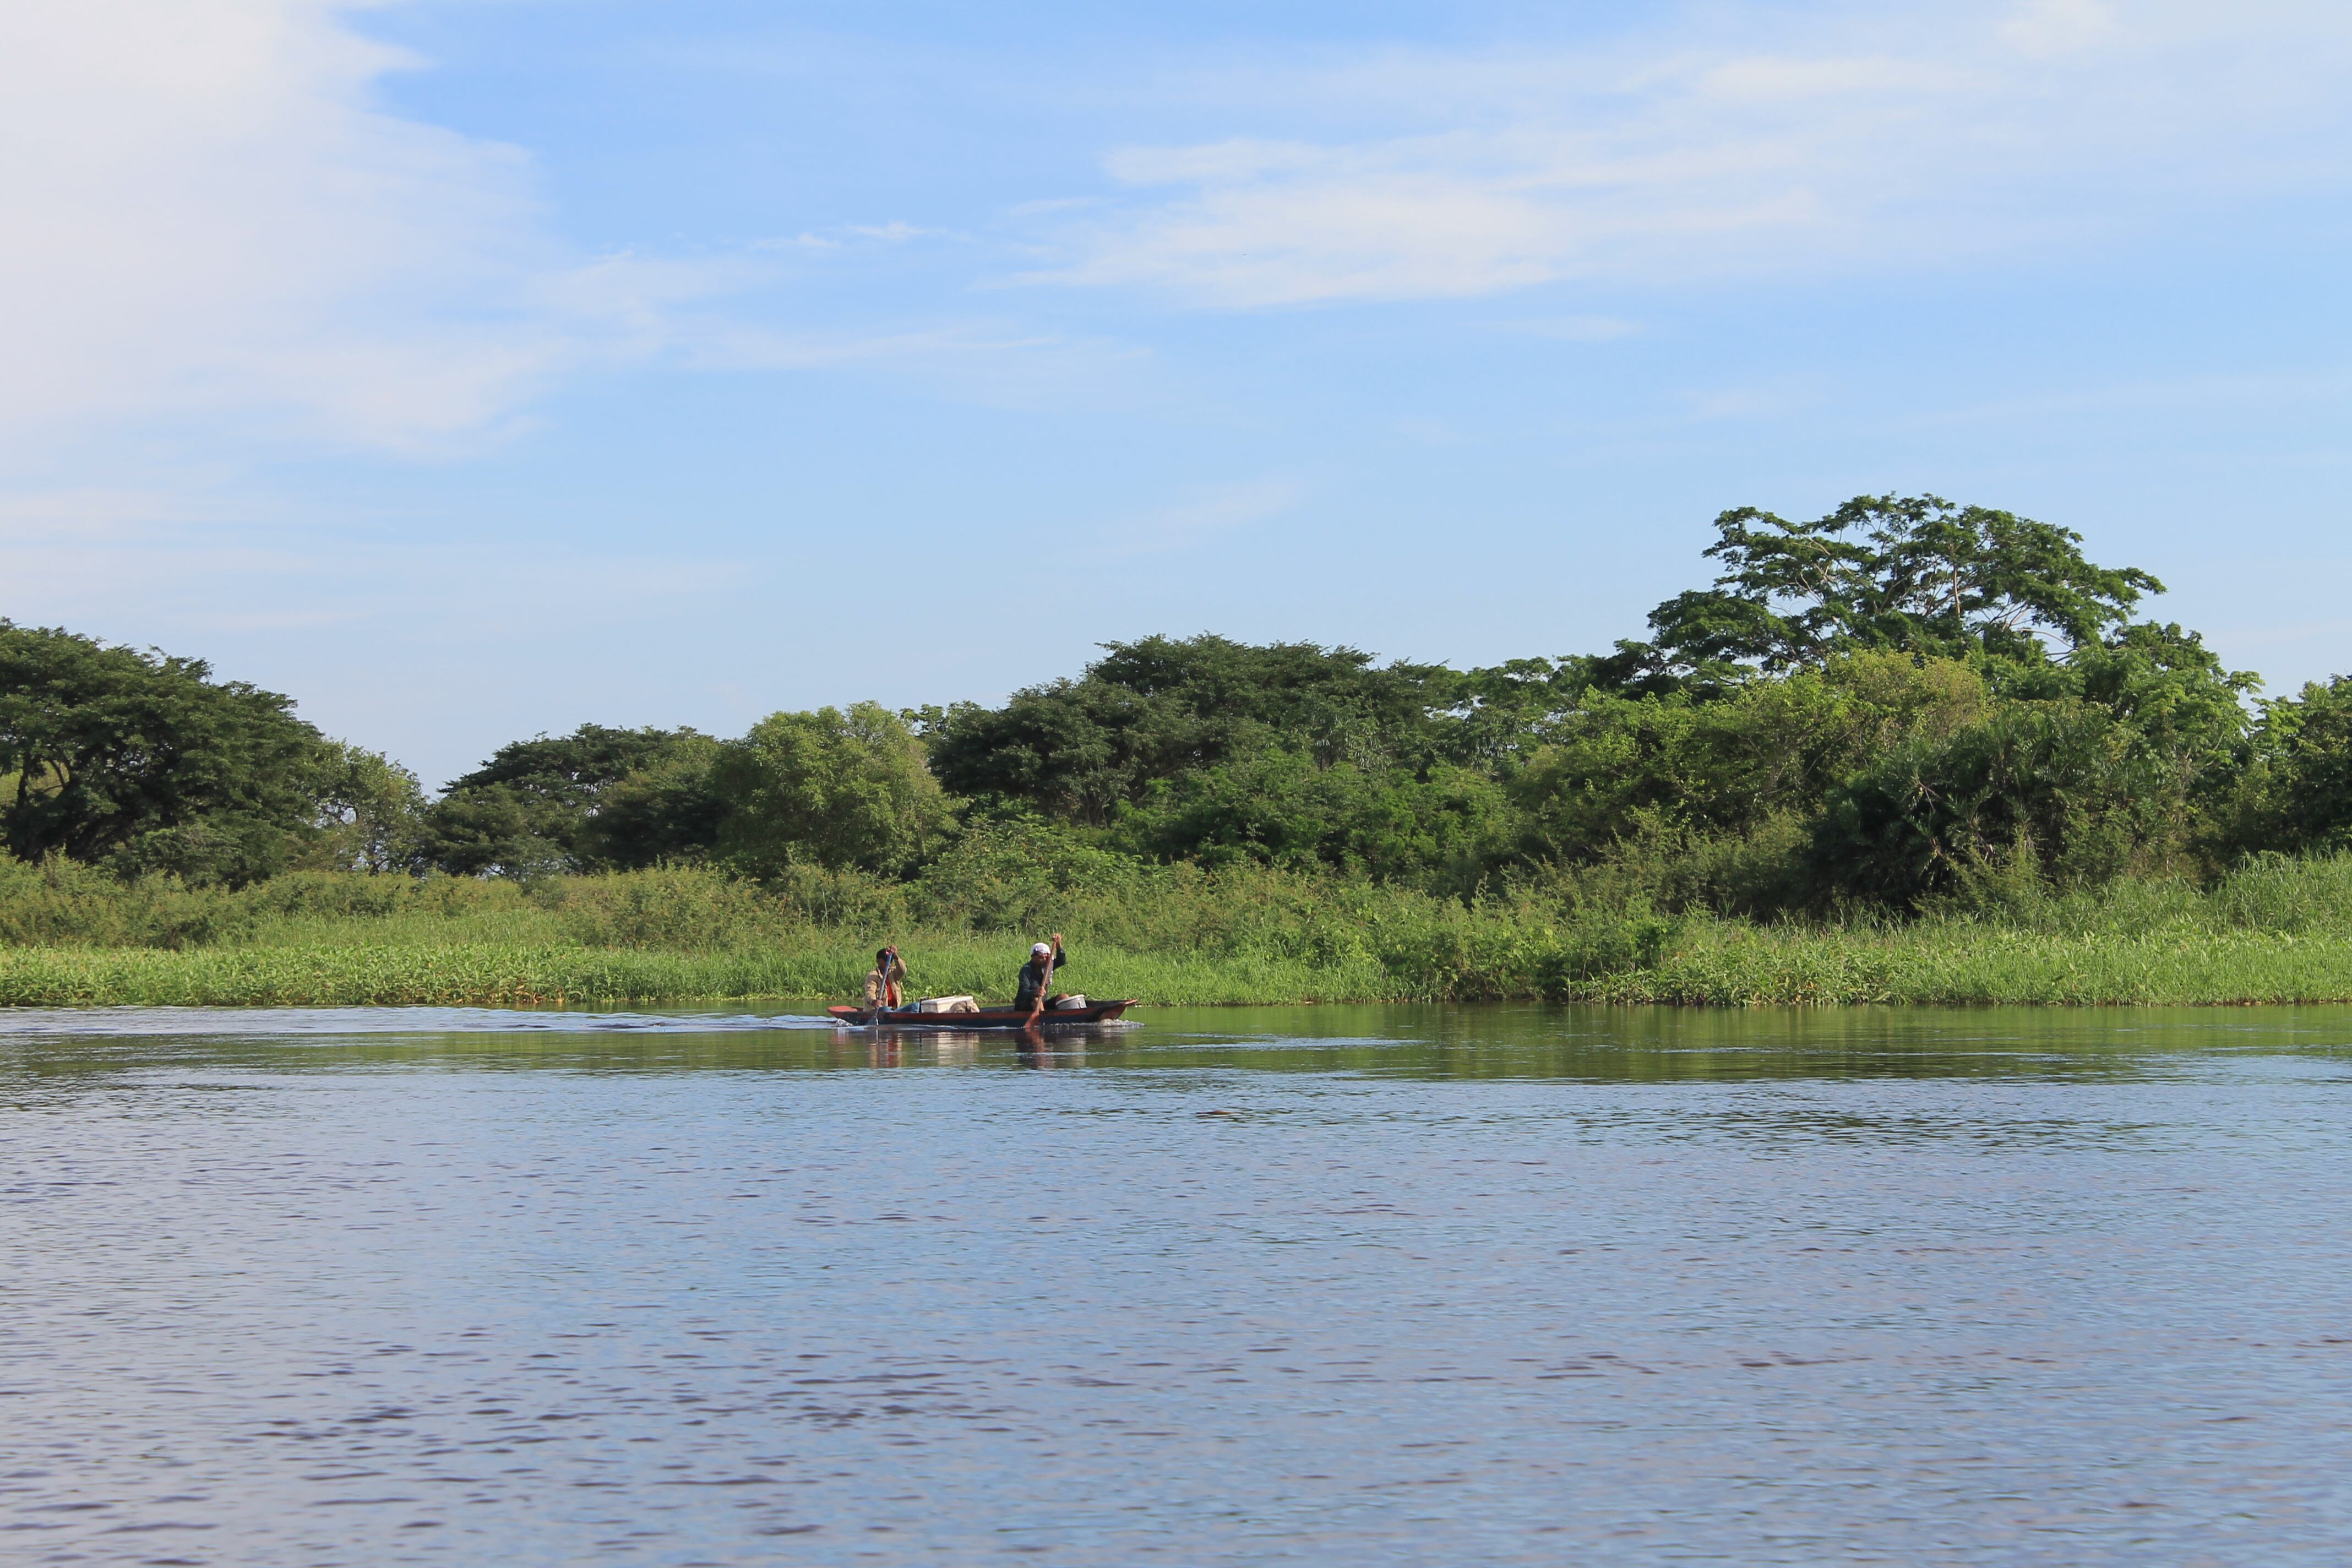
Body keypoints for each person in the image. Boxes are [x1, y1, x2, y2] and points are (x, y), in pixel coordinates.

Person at [1013, 933, 1066, 1014]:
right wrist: (1035, 992)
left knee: (1064, 997)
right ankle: (1044, 1021)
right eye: (1041, 958)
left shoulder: (1047, 966)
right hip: (1025, 1006)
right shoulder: (1026, 970)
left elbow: (1061, 961)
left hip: (1043, 1004)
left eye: (1046, 957)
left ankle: (1065, 1017)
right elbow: (1023, 992)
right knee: (1036, 999)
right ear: (1033, 957)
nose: (1045, 960)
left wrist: (1058, 945)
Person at [864, 945, 907, 1010]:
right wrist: (873, 1001)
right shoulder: (872, 975)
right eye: (886, 960)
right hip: (880, 1010)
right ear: (879, 961)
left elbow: (903, 971)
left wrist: (896, 958)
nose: (889, 962)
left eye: (891, 960)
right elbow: (870, 992)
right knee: (886, 1009)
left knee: (916, 1006)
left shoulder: (893, 973)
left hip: (895, 1009)